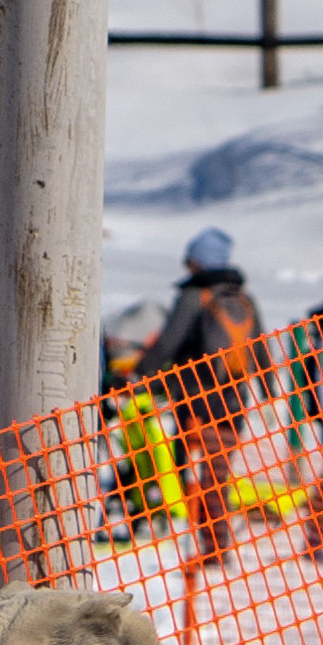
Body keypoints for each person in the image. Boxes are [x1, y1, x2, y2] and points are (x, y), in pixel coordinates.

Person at [130, 227, 269, 569]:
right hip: (234, 403)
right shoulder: (245, 300)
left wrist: (139, 375)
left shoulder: (194, 297)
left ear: (198, 261)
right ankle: (216, 545)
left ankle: (198, 542)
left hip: (195, 402)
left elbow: (167, 343)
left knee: (187, 472)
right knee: (216, 477)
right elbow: (261, 350)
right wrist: (269, 389)